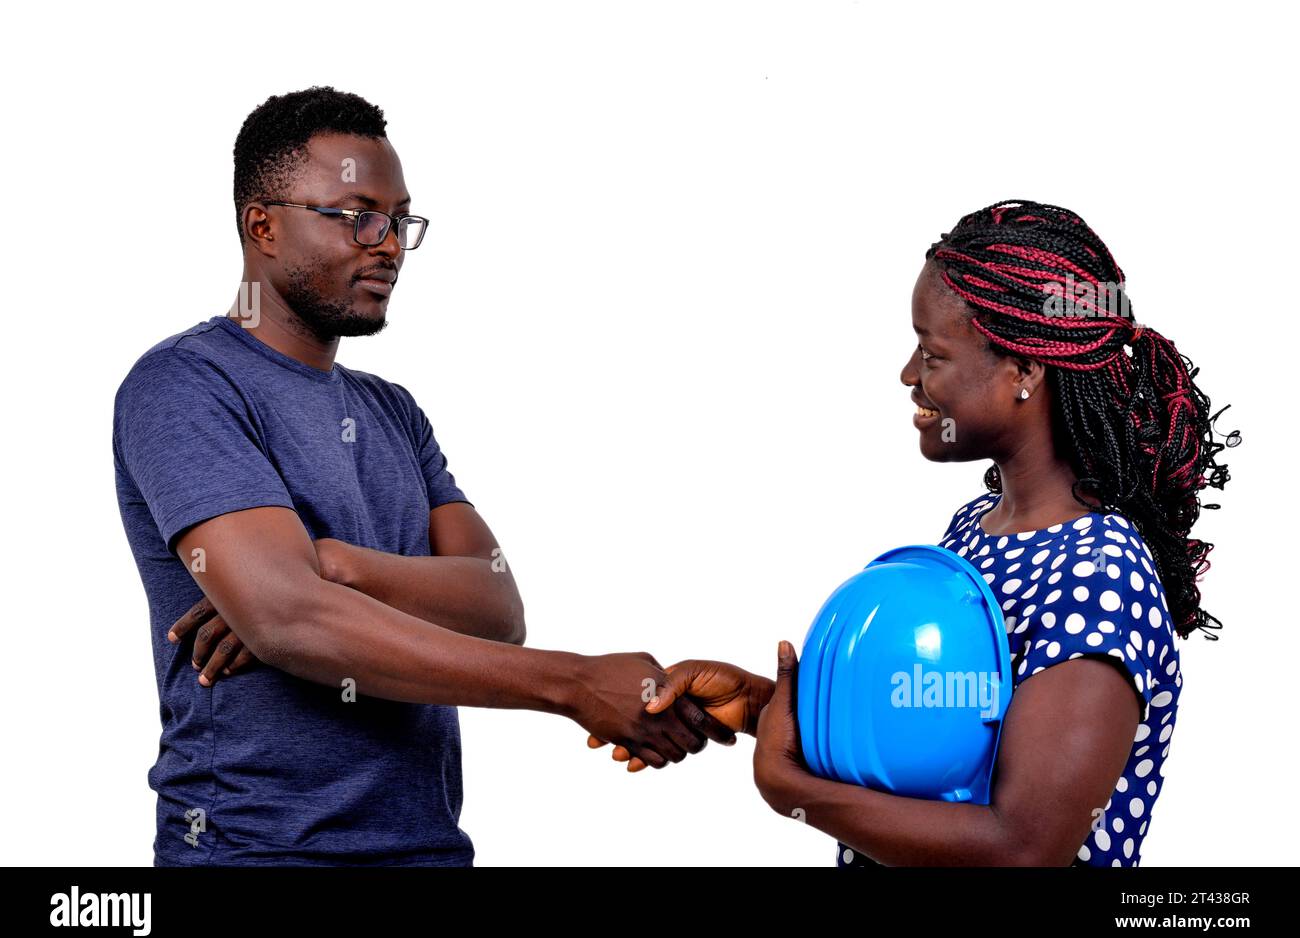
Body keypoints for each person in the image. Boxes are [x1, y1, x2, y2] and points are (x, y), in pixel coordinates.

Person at [113, 86, 733, 867]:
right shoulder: (185, 384)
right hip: (255, 852)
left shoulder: (392, 412)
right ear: (261, 225)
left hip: (428, 850)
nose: (389, 244)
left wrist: (333, 565)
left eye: (400, 220)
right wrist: (572, 685)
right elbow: (289, 621)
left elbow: (497, 605)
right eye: (358, 215)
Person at [590, 200, 1236, 866]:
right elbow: (938, 748)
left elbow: (1024, 849)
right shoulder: (977, 531)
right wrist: (762, 707)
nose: (908, 375)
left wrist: (792, 790)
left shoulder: (1099, 575)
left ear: (1023, 371)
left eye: (932, 353)